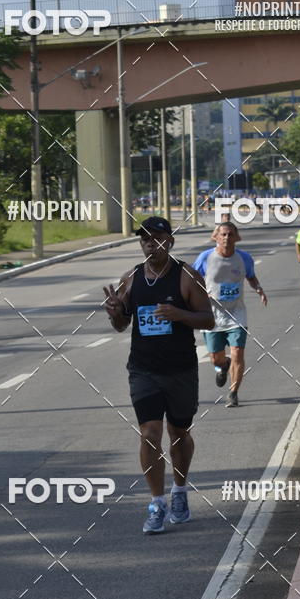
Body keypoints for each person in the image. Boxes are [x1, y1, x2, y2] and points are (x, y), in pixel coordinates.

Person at [103, 217, 215, 534]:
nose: (152, 244)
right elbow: (122, 324)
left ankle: (180, 491)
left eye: (158, 239)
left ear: (170, 242)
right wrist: (115, 313)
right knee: (149, 434)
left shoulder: (187, 277)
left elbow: (209, 319)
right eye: (146, 240)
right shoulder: (132, 279)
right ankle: (156, 502)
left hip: (180, 369)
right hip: (143, 369)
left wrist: (179, 314)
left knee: (179, 432)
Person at [192, 222, 267, 408]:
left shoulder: (244, 258)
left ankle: (233, 393)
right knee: (216, 358)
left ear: (236, 237)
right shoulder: (206, 257)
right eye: (223, 234)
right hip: (212, 316)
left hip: (236, 314)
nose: (226, 238)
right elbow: (192, 278)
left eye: (230, 234)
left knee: (237, 354)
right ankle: (222, 366)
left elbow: (250, 276)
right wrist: (201, 293)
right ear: (216, 237)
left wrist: (258, 288)